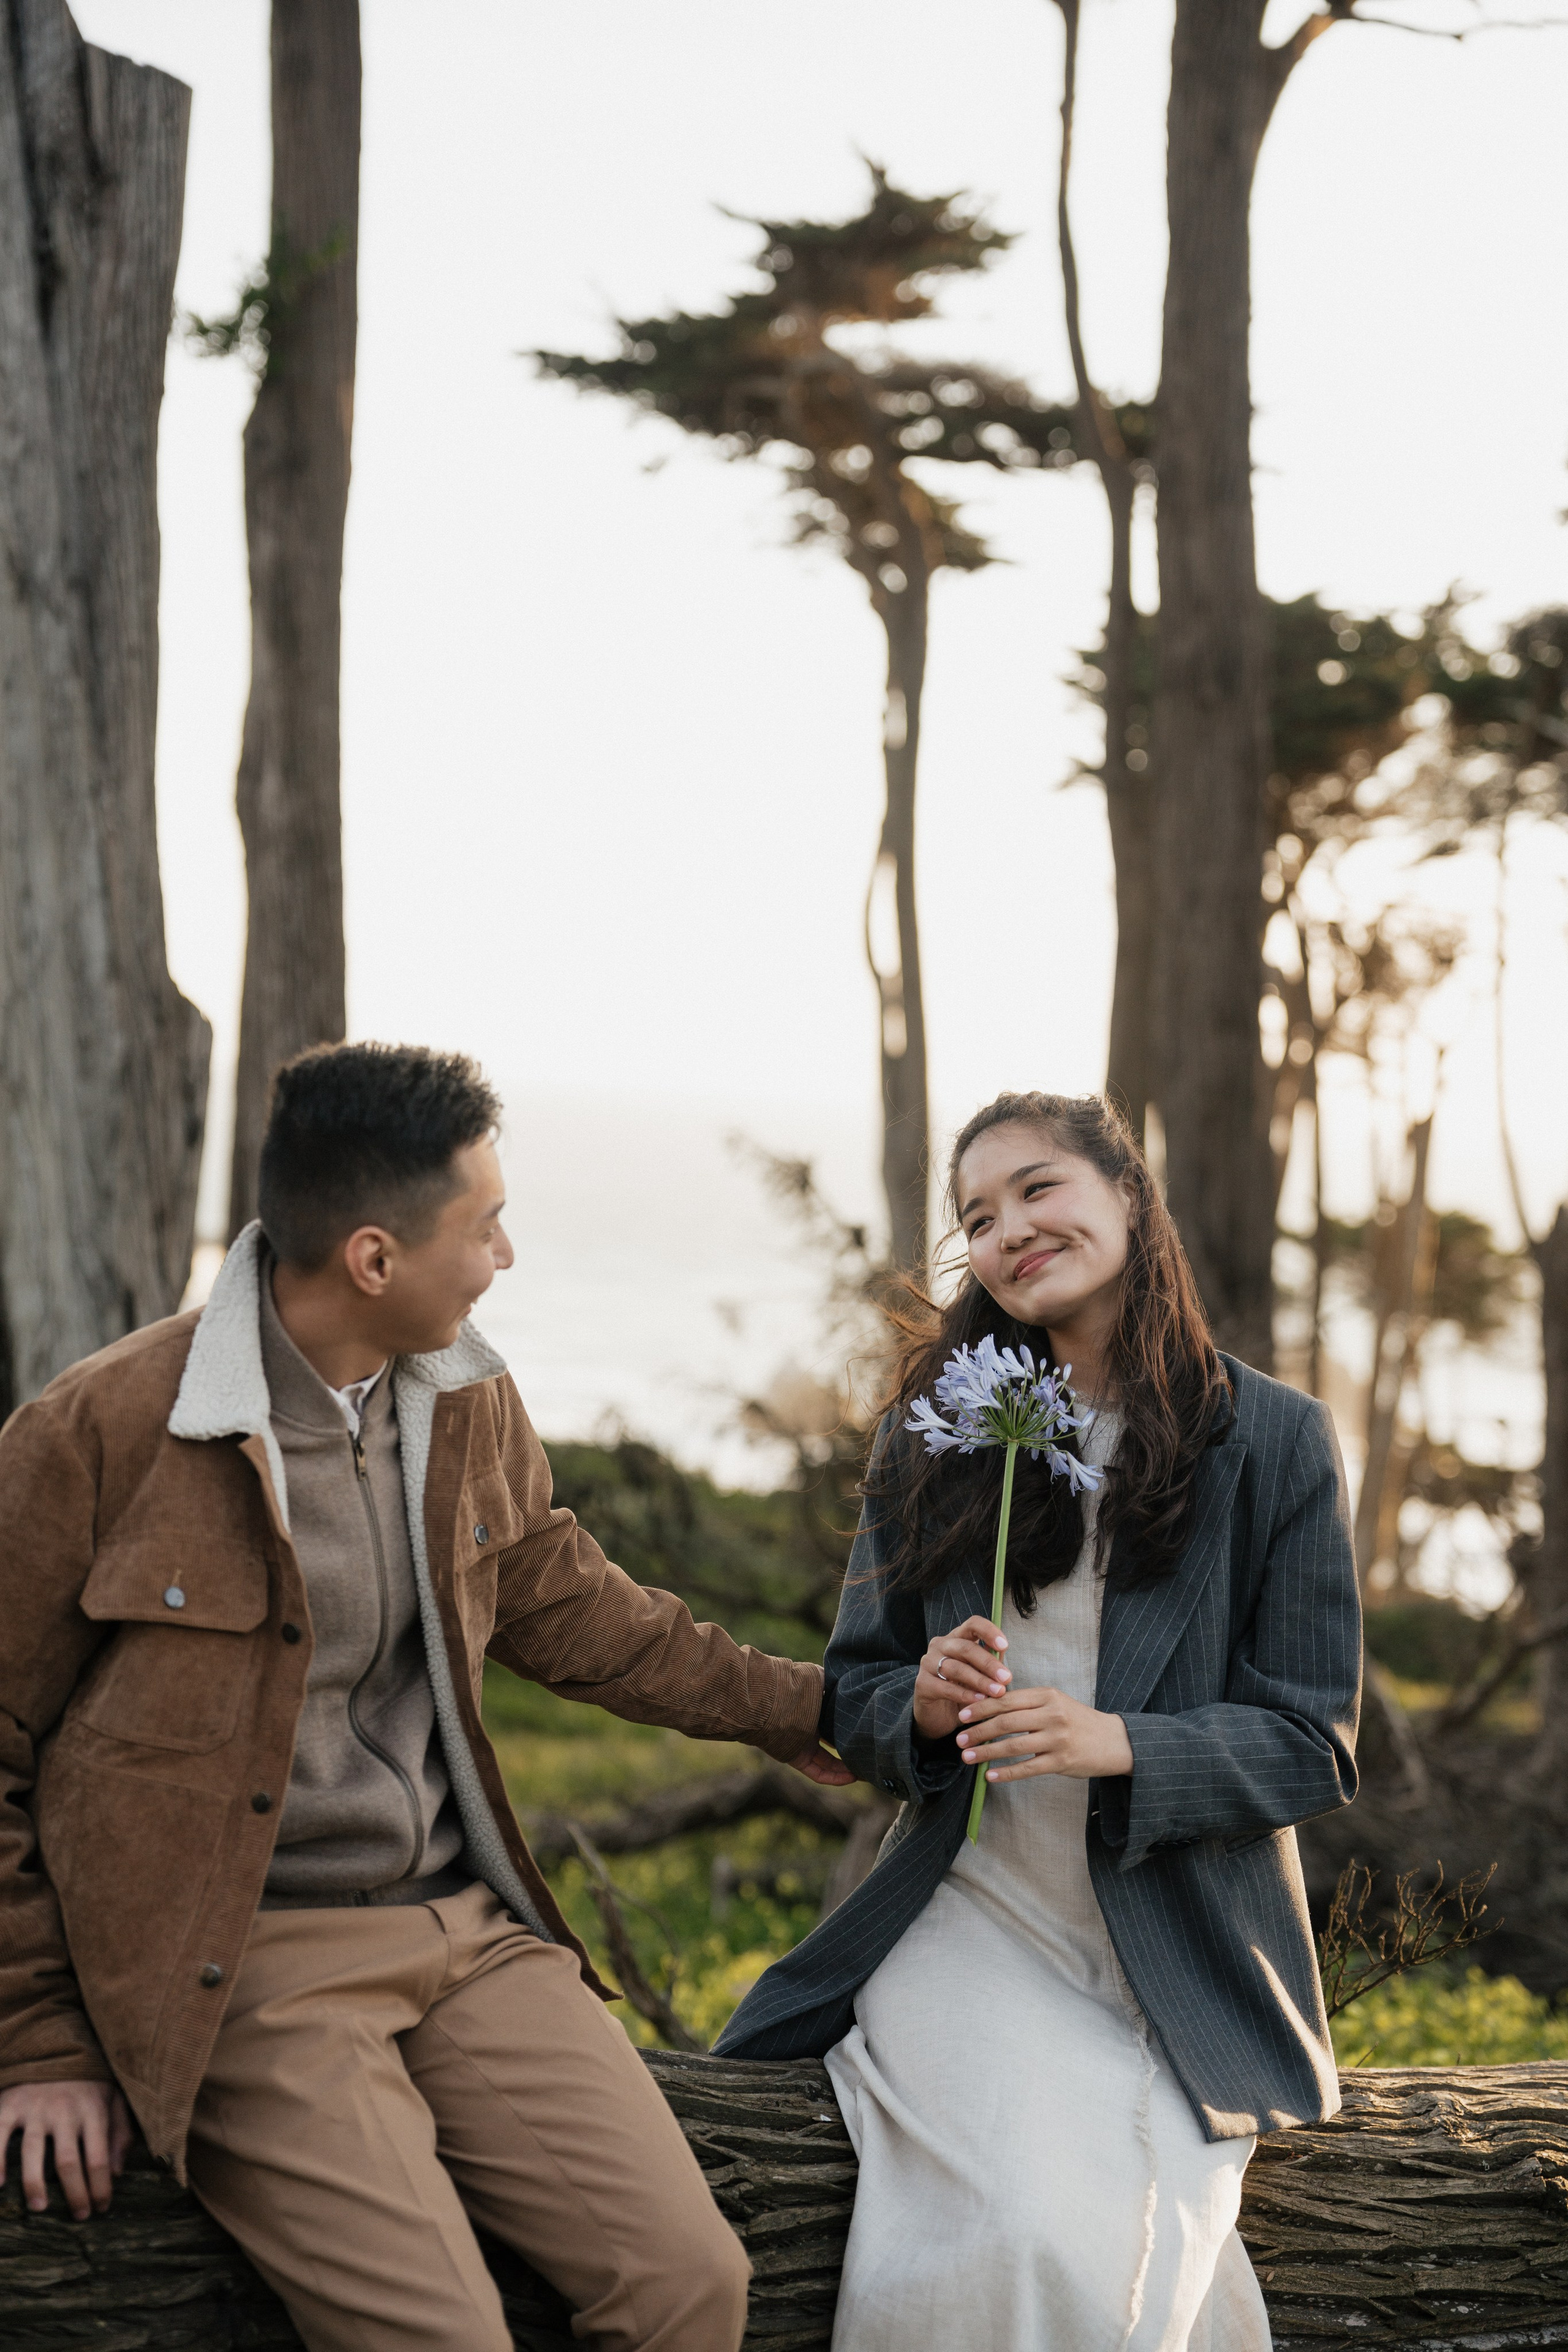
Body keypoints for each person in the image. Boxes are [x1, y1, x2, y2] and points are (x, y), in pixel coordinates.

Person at [0, 1042, 850, 2352]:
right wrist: (41, 2041)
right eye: (485, 1224)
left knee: (692, 2285)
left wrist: (806, 1712)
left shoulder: (465, 1398)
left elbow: (577, 1611)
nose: (505, 1255)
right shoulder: (102, 1431)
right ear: (372, 1259)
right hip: (254, 1965)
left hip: (466, 1938)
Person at [717, 1091, 1362, 2352]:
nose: (1007, 1228)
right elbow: (854, 1695)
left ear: (1126, 1196)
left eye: (1036, 1188)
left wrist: (1117, 1742)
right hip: (975, 1922)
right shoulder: (930, 1437)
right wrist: (914, 1699)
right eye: (975, 1216)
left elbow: (1311, 1746)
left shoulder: (1273, 1440)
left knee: (1122, 2253)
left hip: (1178, 1956)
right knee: (1003, 2234)